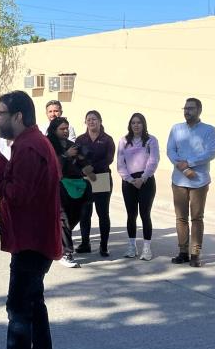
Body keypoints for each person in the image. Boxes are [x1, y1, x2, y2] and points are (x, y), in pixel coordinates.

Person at [0, 91, 62, 349]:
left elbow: (16, 195)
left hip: (31, 242)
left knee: (19, 310)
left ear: (18, 117)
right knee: (34, 306)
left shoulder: (30, 147)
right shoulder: (30, 144)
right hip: (34, 239)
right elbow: (19, 180)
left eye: (1, 113)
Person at [166, 98, 215, 267]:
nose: (187, 111)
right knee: (181, 218)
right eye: (185, 108)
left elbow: (210, 153)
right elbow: (170, 151)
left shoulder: (209, 130)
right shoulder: (176, 129)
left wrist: (189, 163)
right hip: (179, 180)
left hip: (199, 181)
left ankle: (195, 254)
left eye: (191, 108)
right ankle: (183, 251)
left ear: (199, 110)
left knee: (197, 218)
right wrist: (182, 167)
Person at [46, 117, 90, 268]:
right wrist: (65, 155)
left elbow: (84, 165)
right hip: (58, 186)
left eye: (67, 128)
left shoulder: (72, 145)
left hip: (76, 186)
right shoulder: (48, 144)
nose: (65, 131)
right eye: (62, 129)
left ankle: (58, 240)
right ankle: (66, 253)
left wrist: (82, 158)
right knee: (63, 217)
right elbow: (50, 165)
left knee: (78, 214)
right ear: (54, 130)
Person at [116, 113, 159, 261]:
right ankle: (131, 246)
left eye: (139, 123)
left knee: (145, 214)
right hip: (129, 182)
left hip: (146, 181)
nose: (136, 125)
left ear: (144, 124)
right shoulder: (123, 141)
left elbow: (153, 160)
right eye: (133, 123)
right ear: (130, 125)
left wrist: (144, 177)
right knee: (131, 215)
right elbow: (120, 163)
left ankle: (146, 248)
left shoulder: (151, 140)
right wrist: (129, 179)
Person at [75, 110, 115, 257]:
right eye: (89, 119)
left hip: (101, 178)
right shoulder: (80, 139)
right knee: (85, 213)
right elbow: (77, 158)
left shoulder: (107, 139)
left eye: (94, 119)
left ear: (100, 121)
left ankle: (103, 245)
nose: (91, 122)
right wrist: (84, 169)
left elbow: (109, 159)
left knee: (102, 213)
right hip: (85, 179)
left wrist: (93, 168)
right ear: (85, 122)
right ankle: (85, 243)